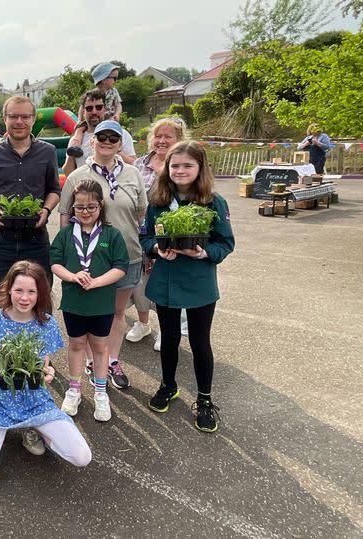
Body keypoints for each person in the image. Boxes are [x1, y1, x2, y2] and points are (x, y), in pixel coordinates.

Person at [0, 261, 92, 490]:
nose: (24, 298)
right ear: (9, 290)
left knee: (82, 456)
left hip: (35, 401)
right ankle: (3, 431)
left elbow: (43, 366)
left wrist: (48, 373)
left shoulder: (46, 324)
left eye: (31, 291)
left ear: (40, 293)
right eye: (19, 290)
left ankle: (38, 431)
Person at [140, 140, 235, 433]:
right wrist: (156, 248)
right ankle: (169, 385)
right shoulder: (158, 201)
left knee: (199, 341)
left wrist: (203, 252)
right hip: (166, 280)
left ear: (200, 168)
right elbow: (145, 238)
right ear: (167, 168)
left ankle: (204, 399)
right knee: (168, 339)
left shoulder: (213, 202)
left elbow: (226, 243)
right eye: (175, 165)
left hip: (199, 283)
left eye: (187, 165)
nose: (180, 170)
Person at [59, 120, 146, 391]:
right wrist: (70, 253)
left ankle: (112, 361)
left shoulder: (133, 174)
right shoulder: (77, 176)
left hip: (127, 255)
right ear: (92, 141)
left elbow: (140, 212)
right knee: (88, 313)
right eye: (101, 137)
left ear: (121, 143)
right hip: (88, 259)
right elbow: (65, 214)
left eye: (113, 138)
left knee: (117, 312)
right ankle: (89, 361)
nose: (107, 141)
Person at [51, 179, 129, 420]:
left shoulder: (112, 235)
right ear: (72, 207)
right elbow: (54, 263)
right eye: (80, 207)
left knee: (100, 347)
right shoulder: (65, 235)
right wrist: (73, 277)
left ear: (101, 206)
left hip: (101, 303)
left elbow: (121, 267)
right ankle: (74, 390)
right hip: (74, 302)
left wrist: (96, 282)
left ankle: (100, 392)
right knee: (75, 345)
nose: (85, 212)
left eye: (91, 207)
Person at [0, 95, 60, 291]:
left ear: (33, 119)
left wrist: (46, 210)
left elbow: (54, 190)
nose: (19, 122)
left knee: (40, 300)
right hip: (3, 241)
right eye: (13, 116)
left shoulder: (48, 152)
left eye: (25, 117)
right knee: (3, 300)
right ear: (4, 119)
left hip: (36, 240)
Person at [128, 117, 189, 351]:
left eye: (168, 136)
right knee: (139, 281)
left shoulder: (180, 167)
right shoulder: (138, 164)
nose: (162, 141)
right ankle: (143, 323)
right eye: (158, 136)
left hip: (168, 236)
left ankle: (167, 329)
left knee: (164, 283)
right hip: (138, 234)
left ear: (179, 140)